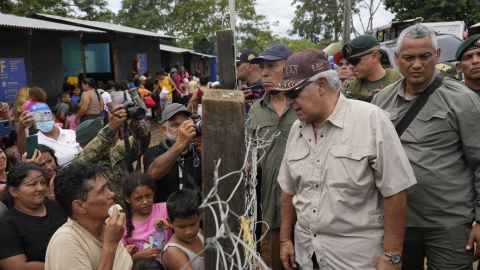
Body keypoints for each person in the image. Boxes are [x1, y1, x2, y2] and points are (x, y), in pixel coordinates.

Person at [274, 48, 416, 269]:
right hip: (308, 255)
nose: (289, 101)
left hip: (355, 259)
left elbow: (396, 192)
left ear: (321, 85)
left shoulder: (370, 120)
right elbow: (288, 189)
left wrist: (392, 255)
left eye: (293, 93)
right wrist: (285, 239)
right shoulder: (297, 129)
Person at [371, 24, 480, 270]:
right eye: (409, 58)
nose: (417, 64)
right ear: (397, 59)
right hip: (397, 222)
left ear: (438, 56)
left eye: (425, 56)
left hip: (448, 223)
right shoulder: (381, 100)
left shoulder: (462, 100)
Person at [248, 43, 295, 270]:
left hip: (306, 210)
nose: (264, 72)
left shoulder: (304, 104)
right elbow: (250, 153)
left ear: (289, 68)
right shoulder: (256, 109)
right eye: (262, 67)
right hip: (270, 211)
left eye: (272, 66)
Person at [45, 162, 133, 270]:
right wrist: (110, 245)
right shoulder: (65, 242)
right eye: (101, 191)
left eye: (107, 187)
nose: (111, 194)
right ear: (80, 206)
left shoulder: (109, 227)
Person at [74, 106, 151, 203]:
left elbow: (141, 145)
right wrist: (110, 128)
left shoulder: (117, 152)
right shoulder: (84, 164)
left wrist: (136, 128)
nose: (111, 136)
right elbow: (80, 161)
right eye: (106, 134)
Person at [0, 164, 67, 270]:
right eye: (32, 184)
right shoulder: (7, 224)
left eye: (43, 183)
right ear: (14, 191)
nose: (40, 188)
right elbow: (17, 267)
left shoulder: (58, 206)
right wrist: (64, 266)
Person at [143, 103, 201, 203]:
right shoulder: (154, 152)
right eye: (175, 125)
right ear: (164, 130)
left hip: (195, 215)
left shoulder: (197, 149)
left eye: (185, 124)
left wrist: (208, 152)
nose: (182, 129)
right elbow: (152, 174)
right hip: (165, 216)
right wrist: (181, 143)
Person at [122, 172, 172, 262]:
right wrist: (140, 255)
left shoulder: (165, 209)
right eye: (138, 198)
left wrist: (170, 226)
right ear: (127, 199)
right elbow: (123, 261)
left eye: (148, 196)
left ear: (153, 193)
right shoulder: (123, 224)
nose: (145, 201)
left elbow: (183, 225)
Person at [340, 34, 402, 102]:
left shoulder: (399, 81)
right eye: (349, 61)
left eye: (354, 61)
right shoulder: (348, 87)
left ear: (374, 56)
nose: (351, 66)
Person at [17, 102, 82, 166]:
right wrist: (21, 129)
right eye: (37, 117)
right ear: (33, 122)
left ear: (53, 117)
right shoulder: (33, 141)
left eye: (45, 115)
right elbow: (24, 154)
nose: (43, 120)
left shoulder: (70, 133)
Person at [161, 189, 204, 270]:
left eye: (193, 224)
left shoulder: (199, 233)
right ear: (170, 223)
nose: (189, 232)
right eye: (181, 227)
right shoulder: (173, 252)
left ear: (200, 216)